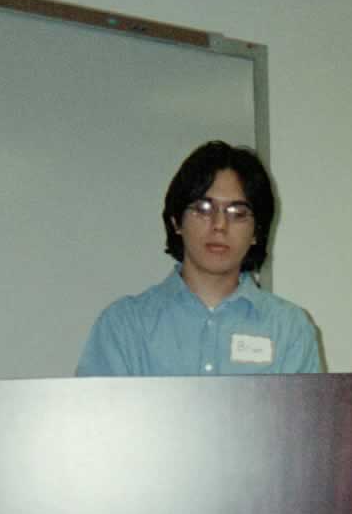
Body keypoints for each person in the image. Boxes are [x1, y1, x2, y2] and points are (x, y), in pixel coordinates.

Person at [76, 140, 323, 376]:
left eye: (238, 213)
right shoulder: (124, 325)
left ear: (257, 232)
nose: (219, 225)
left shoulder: (290, 329)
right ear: (176, 221)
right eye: (203, 209)